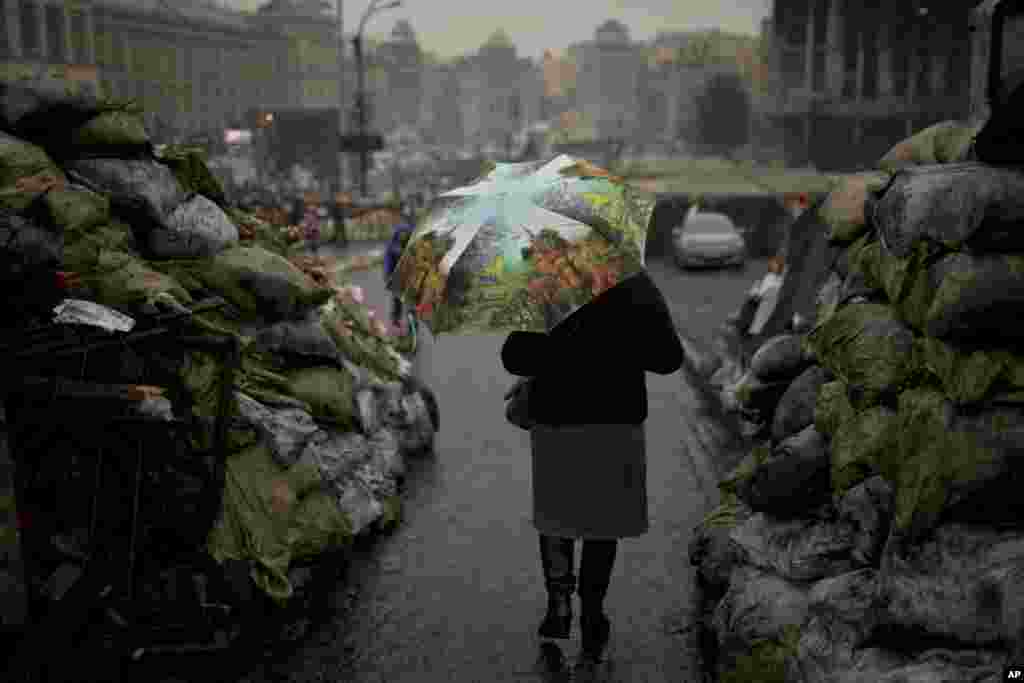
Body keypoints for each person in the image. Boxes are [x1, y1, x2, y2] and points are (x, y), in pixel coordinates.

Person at [500, 270, 684, 662]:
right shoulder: (635, 284)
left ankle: (559, 603)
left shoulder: (546, 282)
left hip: (557, 422)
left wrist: (557, 349)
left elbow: (513, 356)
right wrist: (620, 344)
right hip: (615, 423)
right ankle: (593, 613)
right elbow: (669, 358)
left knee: (556, 517)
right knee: (604, 523)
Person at [384, 207, 416, 327]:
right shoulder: (401, 232)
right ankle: (401, 318)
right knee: (400, 297)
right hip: (400, 270)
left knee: (402, 297)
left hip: (404, 270)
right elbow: (389, 255)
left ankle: (402, 318)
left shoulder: (408, 231)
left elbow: (389, 255)